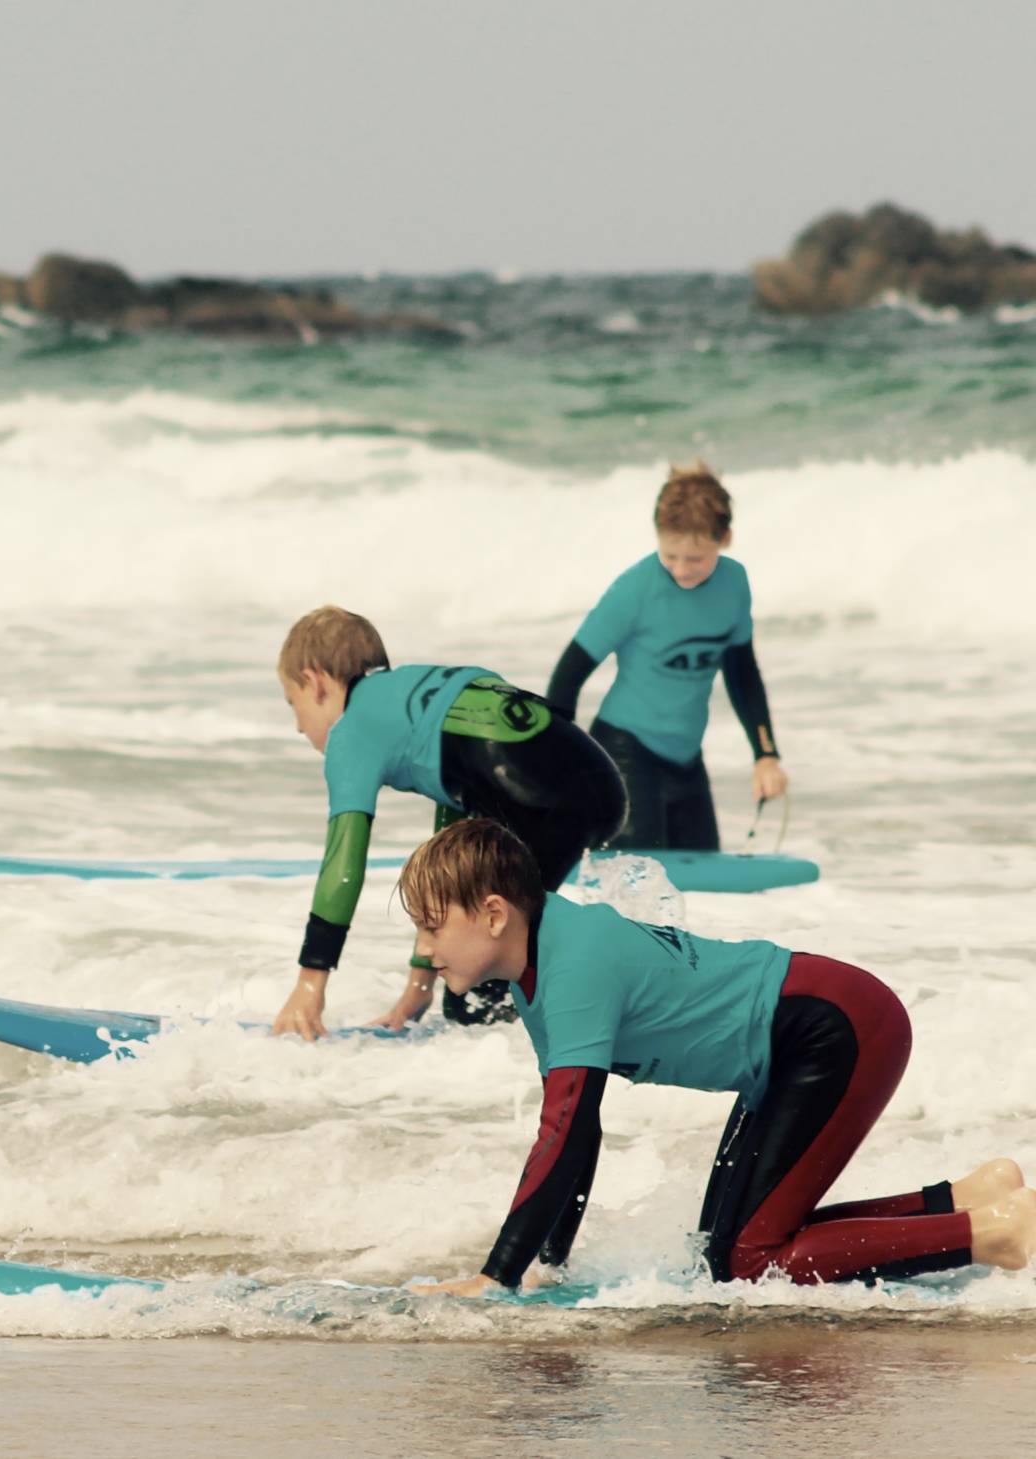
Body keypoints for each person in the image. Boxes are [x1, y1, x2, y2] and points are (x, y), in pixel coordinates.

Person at [397, 818, 1032, 1296]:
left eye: (432, 926)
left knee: (748, 1263)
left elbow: (560, 1134)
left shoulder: (572, 969)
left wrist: (495, 1278)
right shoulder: (536, 972)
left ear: (493, 914)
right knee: (722, 1256)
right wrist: (549, 1267)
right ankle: (963, 1201)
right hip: (792, 1044)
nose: (424, 950)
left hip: (832, 1028)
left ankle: (993, 1233)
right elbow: (578, 1134)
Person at [274, 606, 625, 1038]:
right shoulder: (422, 698)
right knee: (501, 952)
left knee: (474, 1000)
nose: (297, 726)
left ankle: (583, 1027)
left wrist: (311, 984)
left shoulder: (352, 731)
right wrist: (419, 986)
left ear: (316, 682)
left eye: (294, 704)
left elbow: (343, 870)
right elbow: (450, 866)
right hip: (598, 785)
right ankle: (601, 995)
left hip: (541, 799)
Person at [547, 463, 786, 850]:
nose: (680, 569)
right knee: (635, 882)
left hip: (686, 759)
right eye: (670, 554)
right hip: (624, 753)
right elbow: (569, 674)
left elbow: (742, 673)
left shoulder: (734, 584)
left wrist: (766, 755)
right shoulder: (635, 589)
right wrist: (559, 759)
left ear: (724, 538)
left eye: (695, 559)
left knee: (703, 882)